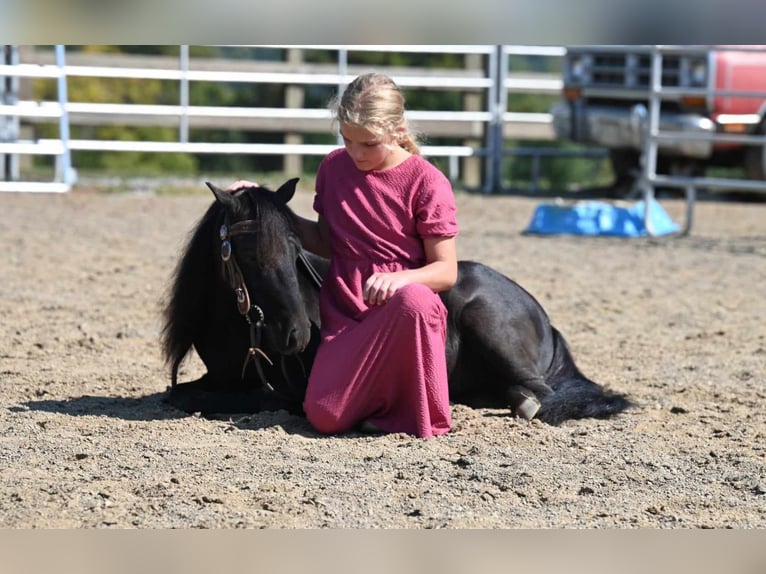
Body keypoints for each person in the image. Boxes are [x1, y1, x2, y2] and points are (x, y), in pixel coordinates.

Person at [229, 72, 458, 438]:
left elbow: (446, 271)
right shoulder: (334, 168)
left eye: (368, 143)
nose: (356, 152)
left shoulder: (427, 181)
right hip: (346, 313)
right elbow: (324, 240)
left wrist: (401, 279)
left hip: (402, 312)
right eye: (348, 140)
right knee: (324, 416)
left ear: (397, 129)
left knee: (414, 300)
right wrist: (262, 202)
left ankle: (402, 413)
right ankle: (378, 409)